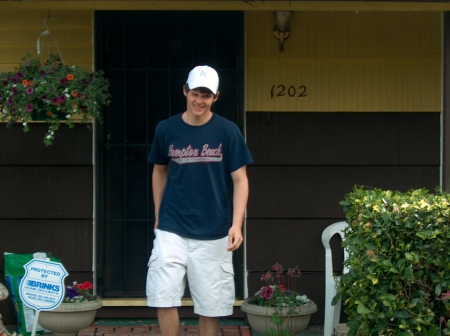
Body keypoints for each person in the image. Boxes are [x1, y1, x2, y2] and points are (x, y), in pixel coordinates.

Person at [146, 65, 253, 336]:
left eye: (206, 95)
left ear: (215, 97)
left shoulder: (228, 132)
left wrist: (236, 224)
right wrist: (159, 213)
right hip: (172, 228)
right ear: (185, 91)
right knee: (164, 296)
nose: (199, 100)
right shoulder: (166, 129)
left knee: (211, 305)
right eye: (195, 93)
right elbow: (159, 170)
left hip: (215, 231)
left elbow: (241, 180)